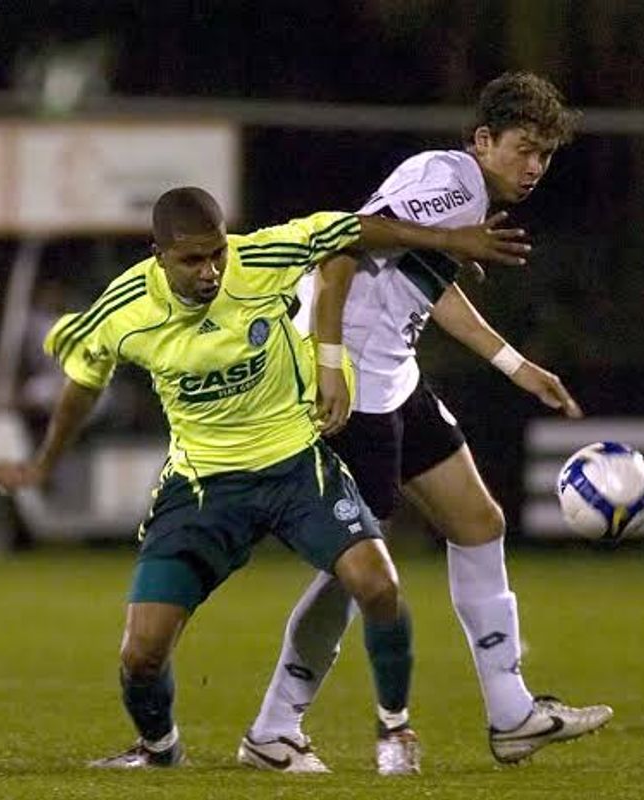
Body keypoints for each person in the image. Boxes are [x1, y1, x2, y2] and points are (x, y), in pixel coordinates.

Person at [0, 185, 529, 767]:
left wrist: (451, 240)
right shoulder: (124, 311)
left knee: (378, 584)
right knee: (141, 653)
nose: (211, 270)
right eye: (193, 259)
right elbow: (83, 384)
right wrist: (44, 462)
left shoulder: (260, 259)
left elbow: (356, 227)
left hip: (295, 466)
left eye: (217, 253)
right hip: (203, 487)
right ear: (159, 254)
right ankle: (159, 748)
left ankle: (394, 731)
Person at [238, 72, 613, 775]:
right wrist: (326, 366)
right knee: (361, 570)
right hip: (354, 386)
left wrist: (516, 366)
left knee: (479, 522)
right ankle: (273, 728)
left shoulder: (453, 192)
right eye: (523, 149)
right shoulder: (454, 184)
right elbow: (341, 249)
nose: (534, 167)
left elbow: (423, 286)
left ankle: (512, 716)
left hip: (395, 380)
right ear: (483, 141)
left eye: (546, 156)